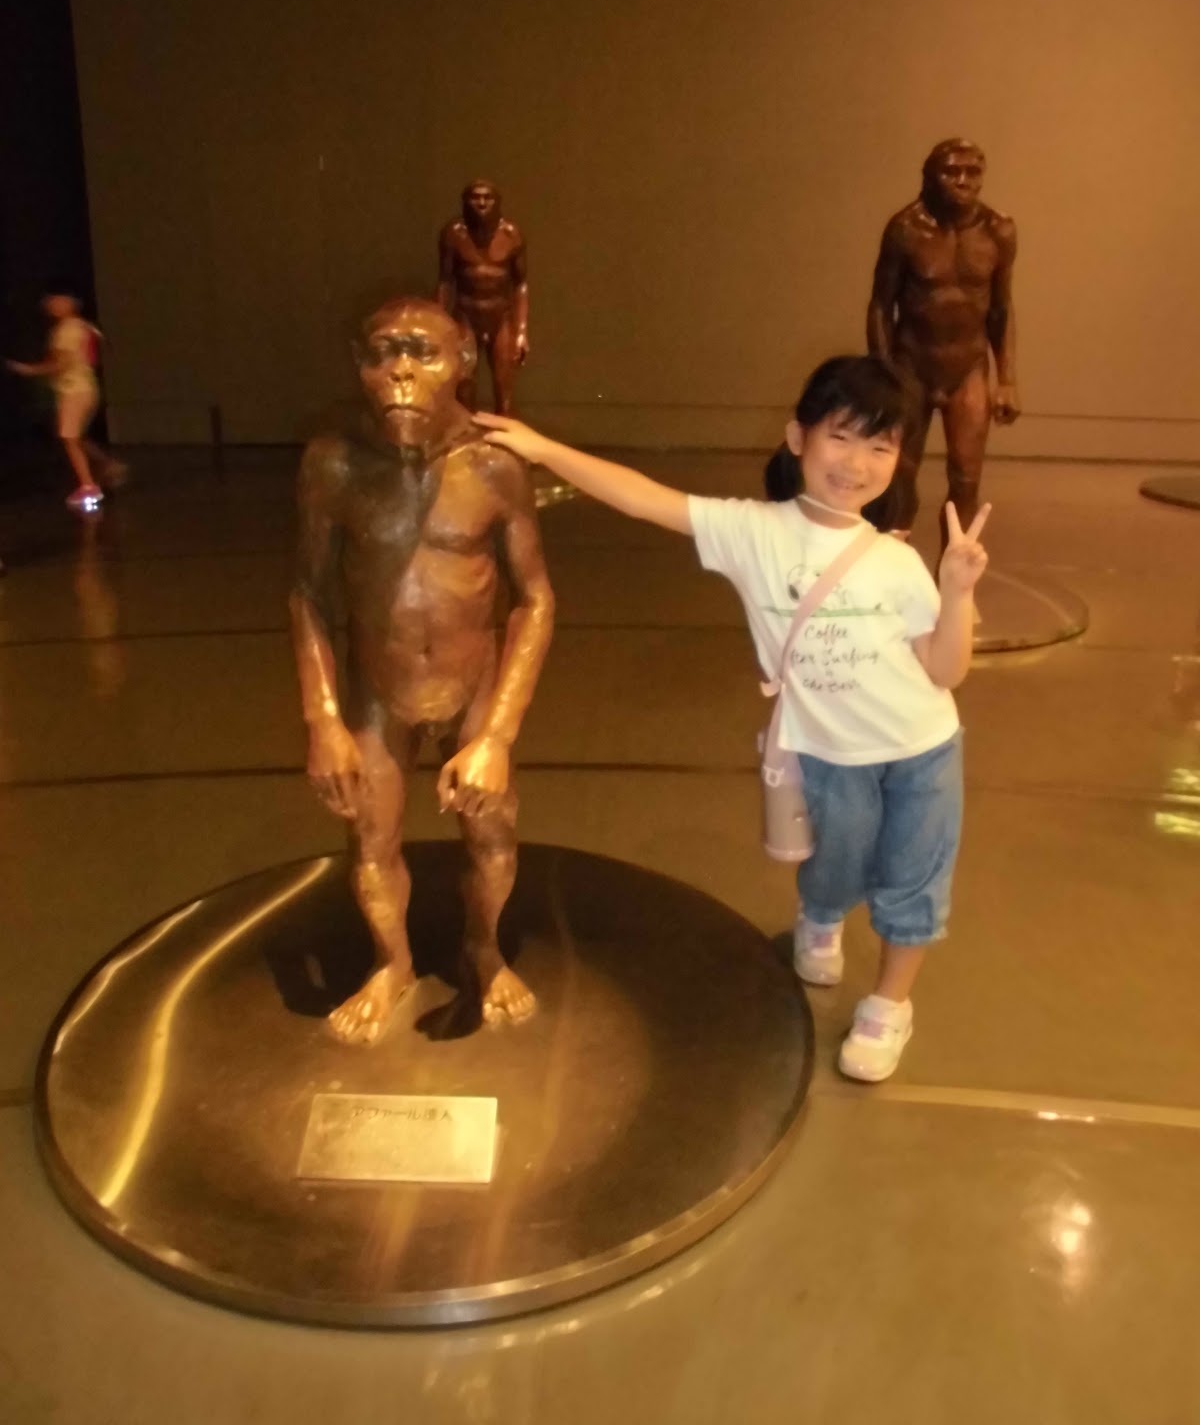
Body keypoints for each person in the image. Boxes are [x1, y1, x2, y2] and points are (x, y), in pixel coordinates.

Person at [477, 356, 989, 1082]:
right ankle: (821, 916)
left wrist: (958, 590)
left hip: (924, 749)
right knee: (835, 866)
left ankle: (889, 1004)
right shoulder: (753, 533)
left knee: (915, 880)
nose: (857, 463)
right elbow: (644, 499)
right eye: (842, 437)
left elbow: (945, 671)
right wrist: (543, 448)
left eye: (880, 446)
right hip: (829, 751)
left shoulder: (897, 560)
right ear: (798, 437)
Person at [290, 296, 554, 1045]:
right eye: (383, 355)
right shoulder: (334, 465)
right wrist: (323, 719)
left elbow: (535, 599)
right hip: (379, 689)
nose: (400, 373)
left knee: (492, 833)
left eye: (421, 353)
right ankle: (392, 962)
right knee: (371, 841)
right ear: (359, 365)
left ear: (463, 361)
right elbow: (308, 592)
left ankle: (484, 948)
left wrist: (497, 735)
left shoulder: (494, 468)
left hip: (473, 686)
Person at [867, 138, 1017, 544]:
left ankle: (954, 573)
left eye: (972, 172)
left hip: (967, 369)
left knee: (966, 478)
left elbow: (1001, 308)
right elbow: (881, 305)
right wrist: (881, 373)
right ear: (930, 177)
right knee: (898, 476)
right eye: (951, 171)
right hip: (912, 365)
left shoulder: (998, 230)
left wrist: (1007, 379)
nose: (962, 181)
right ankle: (889, 565)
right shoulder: (906, 230)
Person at [6, 290, 126, 510]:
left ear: (70, 302)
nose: (49, 304)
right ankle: (109, 465)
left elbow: (60, 364)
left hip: (74, 390)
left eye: (55, 300)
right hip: (86, 387)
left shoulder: (66, 331)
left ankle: (88, 486)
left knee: (69, 437)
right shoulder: (84, 326)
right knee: (76, 436)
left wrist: (29, 370)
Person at [437, 179, 529, 416]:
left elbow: (520, 284)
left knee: (504, 388)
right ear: (465, 202)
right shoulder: (454, 234)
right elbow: (445, 281)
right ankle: (467, 436)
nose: (481, 203)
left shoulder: (511, 235)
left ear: (497, 202)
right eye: (475, 197)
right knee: (464, 388)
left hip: (501, 318)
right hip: (466, 316)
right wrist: (438, 325)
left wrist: (521, 331)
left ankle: (505, 436)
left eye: (487, 198)